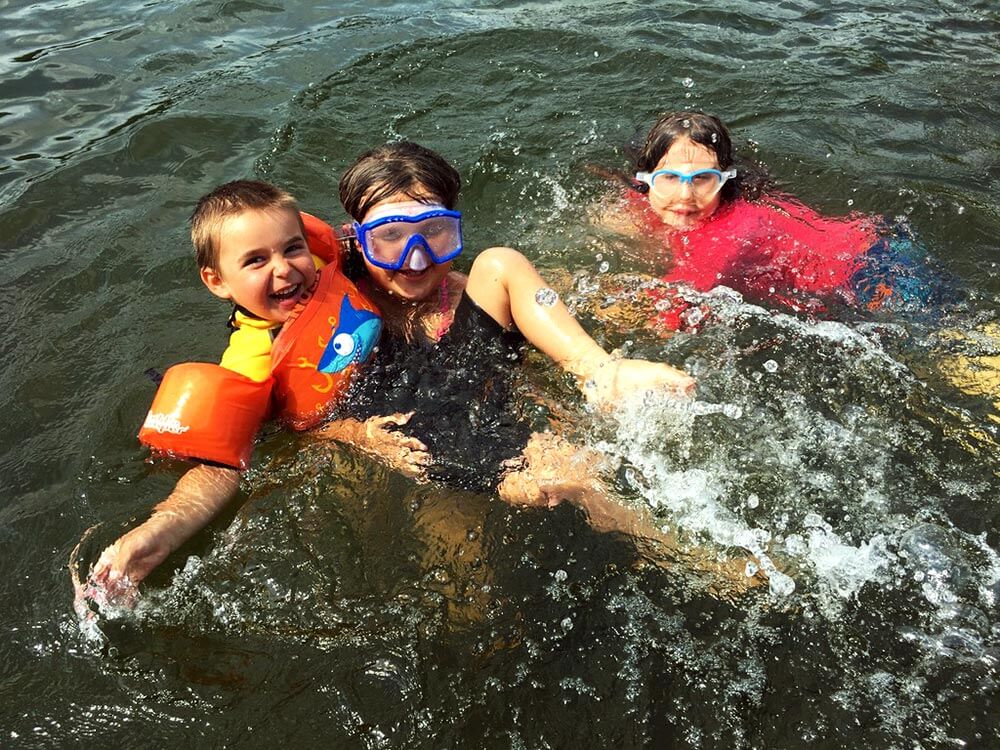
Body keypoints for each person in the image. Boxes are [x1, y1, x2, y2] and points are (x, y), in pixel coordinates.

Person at [314, 143, 763, 598]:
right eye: (388, 237)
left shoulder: (481, 293)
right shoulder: (333, 315)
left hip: (491, 433)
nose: (415, 258)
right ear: (356, 237)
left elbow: (542, 311)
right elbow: (301, 418)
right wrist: (359, 437)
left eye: (434, 232)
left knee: (576, 471)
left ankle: (689, 555)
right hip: (423, 457)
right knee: (464, 590)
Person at [80, 180, 383, 606]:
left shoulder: (325, 262)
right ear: (217, 281)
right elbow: (220, 466)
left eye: (292, 248)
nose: (284, 269)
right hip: (325, 424)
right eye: (256, 260)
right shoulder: (251, 362)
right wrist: (158, 534)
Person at [593, 110, 952, 328]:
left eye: (703, 179)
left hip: (876, 266)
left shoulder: (732, 229)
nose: (685, 196)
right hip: (869, 247)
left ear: (724, 182)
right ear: (644, 181)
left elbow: (672, 309)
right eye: (669, 178)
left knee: (950, 352)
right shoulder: (644, 199)